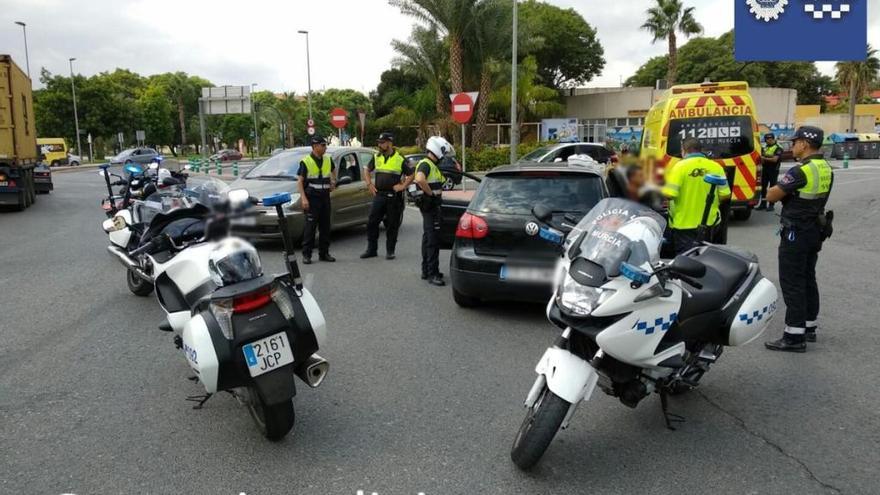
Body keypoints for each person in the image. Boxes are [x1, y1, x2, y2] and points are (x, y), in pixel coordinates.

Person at [764, 126, 834, 353]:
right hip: (815, 230)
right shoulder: (825, 167)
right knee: (807, 278)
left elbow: (772, 194)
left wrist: (781, 191)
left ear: (804, 143)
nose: (792, 146)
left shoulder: (800, 170)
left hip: (796, 232)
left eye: (795, 142)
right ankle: (809, 326)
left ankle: (794, 336)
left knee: (792, 282)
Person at [662, 138, 731, 254]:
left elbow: (669, 194)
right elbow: (725, 195)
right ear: (700, 150)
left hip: (684, 224)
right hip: (710, 222)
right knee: (707, 258)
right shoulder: (716, 167)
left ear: (684, 150)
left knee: (687, 262)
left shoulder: (679, 167)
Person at [361, 132, 413, 260]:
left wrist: (403, 186)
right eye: (379, 142)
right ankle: (371, 249)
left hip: (394, 196)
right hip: (379, 195)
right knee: (372, 222)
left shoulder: (399, 158)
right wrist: (369, 184)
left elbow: (411, 174)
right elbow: (366, 170)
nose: (380, 144)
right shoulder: (376, 156)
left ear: (390, 143)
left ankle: (390, 251)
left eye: (382, 142)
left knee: (392, 224)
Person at [413, 136, 453, 286]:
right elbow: (420, 179)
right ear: (437, 150)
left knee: (427, 238)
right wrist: (430, 194)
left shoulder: (431, 165)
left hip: (430, 207)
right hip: (430, 207)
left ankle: (426, 270)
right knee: (432, 241)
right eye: (443, 153)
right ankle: (432, 273)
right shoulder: (426, 164)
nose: (444, 157)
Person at [297, 135, 336, 264]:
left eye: (325, 145)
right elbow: (300, 182)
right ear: (315, 146)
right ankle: (307, 255)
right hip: (312, 198)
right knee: (310, 227)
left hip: (325, 197)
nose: (325, 147)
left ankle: (324, 253)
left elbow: (333, 170)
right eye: (323, 145)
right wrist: (303, 198)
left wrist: (333, 181)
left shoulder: (328, 159)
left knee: (325, 227)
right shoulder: (306, 161)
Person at [758, 133, 783, 211]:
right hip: (765, 169)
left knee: (772, 188)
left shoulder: (778, 148)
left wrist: (764, 158)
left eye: (770, 139)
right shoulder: (765, 147)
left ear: (773, 139)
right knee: (763, 188)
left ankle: (771, 205)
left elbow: (775, 159)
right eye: (767, 139)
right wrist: (762, 159)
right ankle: (763, 204)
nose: (769, 140)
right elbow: (761, 158)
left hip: (773, 170)